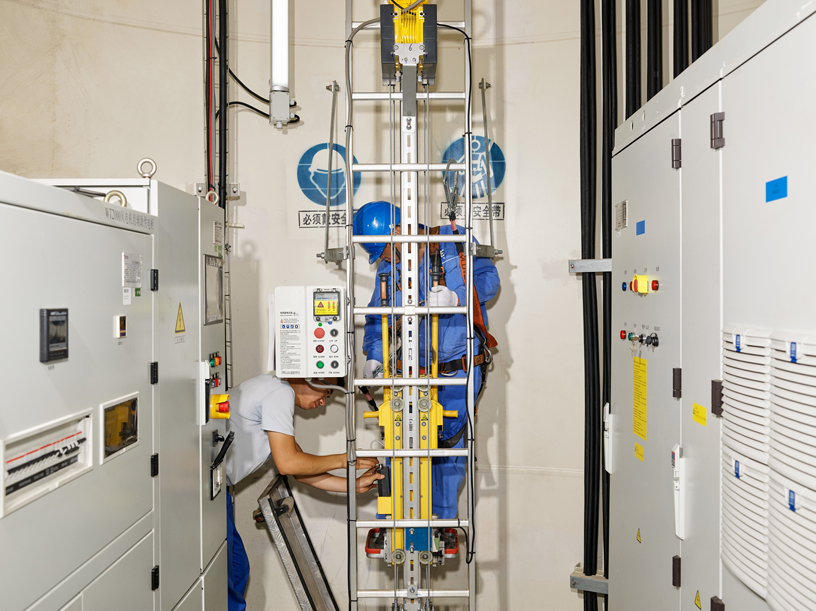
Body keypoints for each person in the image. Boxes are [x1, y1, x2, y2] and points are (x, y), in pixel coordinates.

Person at [353, 200, 500, 520]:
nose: (386, 260)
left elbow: (491, 280)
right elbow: (378, 317)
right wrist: (374, 357)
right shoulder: (389, 268)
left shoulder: (455, 241)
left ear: (398, 231)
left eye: (384, 251)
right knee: (400, 440)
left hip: (458, 369)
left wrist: (457, 298)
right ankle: (395, 522)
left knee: (447, 448)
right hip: (412, 372)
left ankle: (441, 523)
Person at [224, 374, 382, 611]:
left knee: (236, 569)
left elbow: (300, 470)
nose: (323, 403)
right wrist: (346, 460)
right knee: (231, 574)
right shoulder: (279, 392)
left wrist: (353, 485)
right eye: (326, 394)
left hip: (215, 493)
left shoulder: (275, 390)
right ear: (312, 380)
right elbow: (289, 463)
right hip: (203, 490)